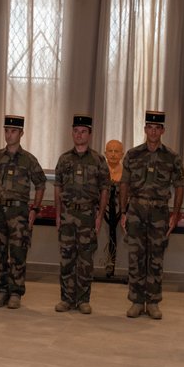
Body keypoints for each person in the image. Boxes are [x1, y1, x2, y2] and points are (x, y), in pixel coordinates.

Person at [120, 110, 184, 320]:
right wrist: (123, 212)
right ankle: (137, 301)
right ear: (145, 129)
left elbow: (179, 186)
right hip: (136, 210)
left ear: (162, 130)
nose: (154, 131)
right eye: (150, 127)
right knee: (136, 257)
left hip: (159, 212)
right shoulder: (133, 154)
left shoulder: (172, 157)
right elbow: (124, 184)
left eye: (158, 128)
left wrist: (175, 214)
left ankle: (153, 302)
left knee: (155, 258)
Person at [0, 115, 45, 309]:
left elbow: (41, 184)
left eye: (13, 131)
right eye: (7, 131)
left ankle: (16, 292)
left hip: (18, 211)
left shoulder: (28, 160)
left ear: (21, 133)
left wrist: (35, 208)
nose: (9, 135)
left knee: (18, 252)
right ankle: (1, 291)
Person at [54, 114, 110, 314]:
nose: (79, 135)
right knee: (67, 258)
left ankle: (83, 300)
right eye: (76, 131)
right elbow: (58, 187)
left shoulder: (98, 160)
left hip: (88, 216)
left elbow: (105, 189)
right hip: (68, 215)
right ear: (72, 133)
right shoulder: (64, 159)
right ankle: (66, 299)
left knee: (85, 260)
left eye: (83, 131)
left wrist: (99, 215)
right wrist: (58, 214)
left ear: (90, 134)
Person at [101, 138, 124, 277]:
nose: (113, 154)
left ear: (122, 154)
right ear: (105, 153)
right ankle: (109, 263)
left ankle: (113, 264)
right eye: (110, 151)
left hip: (118, 209)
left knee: (115, 235)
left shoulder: (126, 172)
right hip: (106, 209)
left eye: (117, 151)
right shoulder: (102, 171)